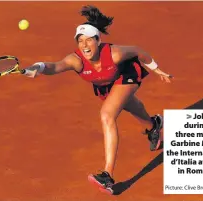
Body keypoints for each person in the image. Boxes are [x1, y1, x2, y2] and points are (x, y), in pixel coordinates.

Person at [23, 5, 173, 194]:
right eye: (80, 41)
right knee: (128, 105)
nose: (84, 45)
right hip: (105, 83)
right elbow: (54, 66)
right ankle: (154, 125)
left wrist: (156, 68)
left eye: (89, 40)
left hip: (126, 73)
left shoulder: (115, 53)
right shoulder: (75, 60)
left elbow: (138, 51)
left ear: (98, 40)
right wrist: (38, 67)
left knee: (107, 114)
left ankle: (107, 175)